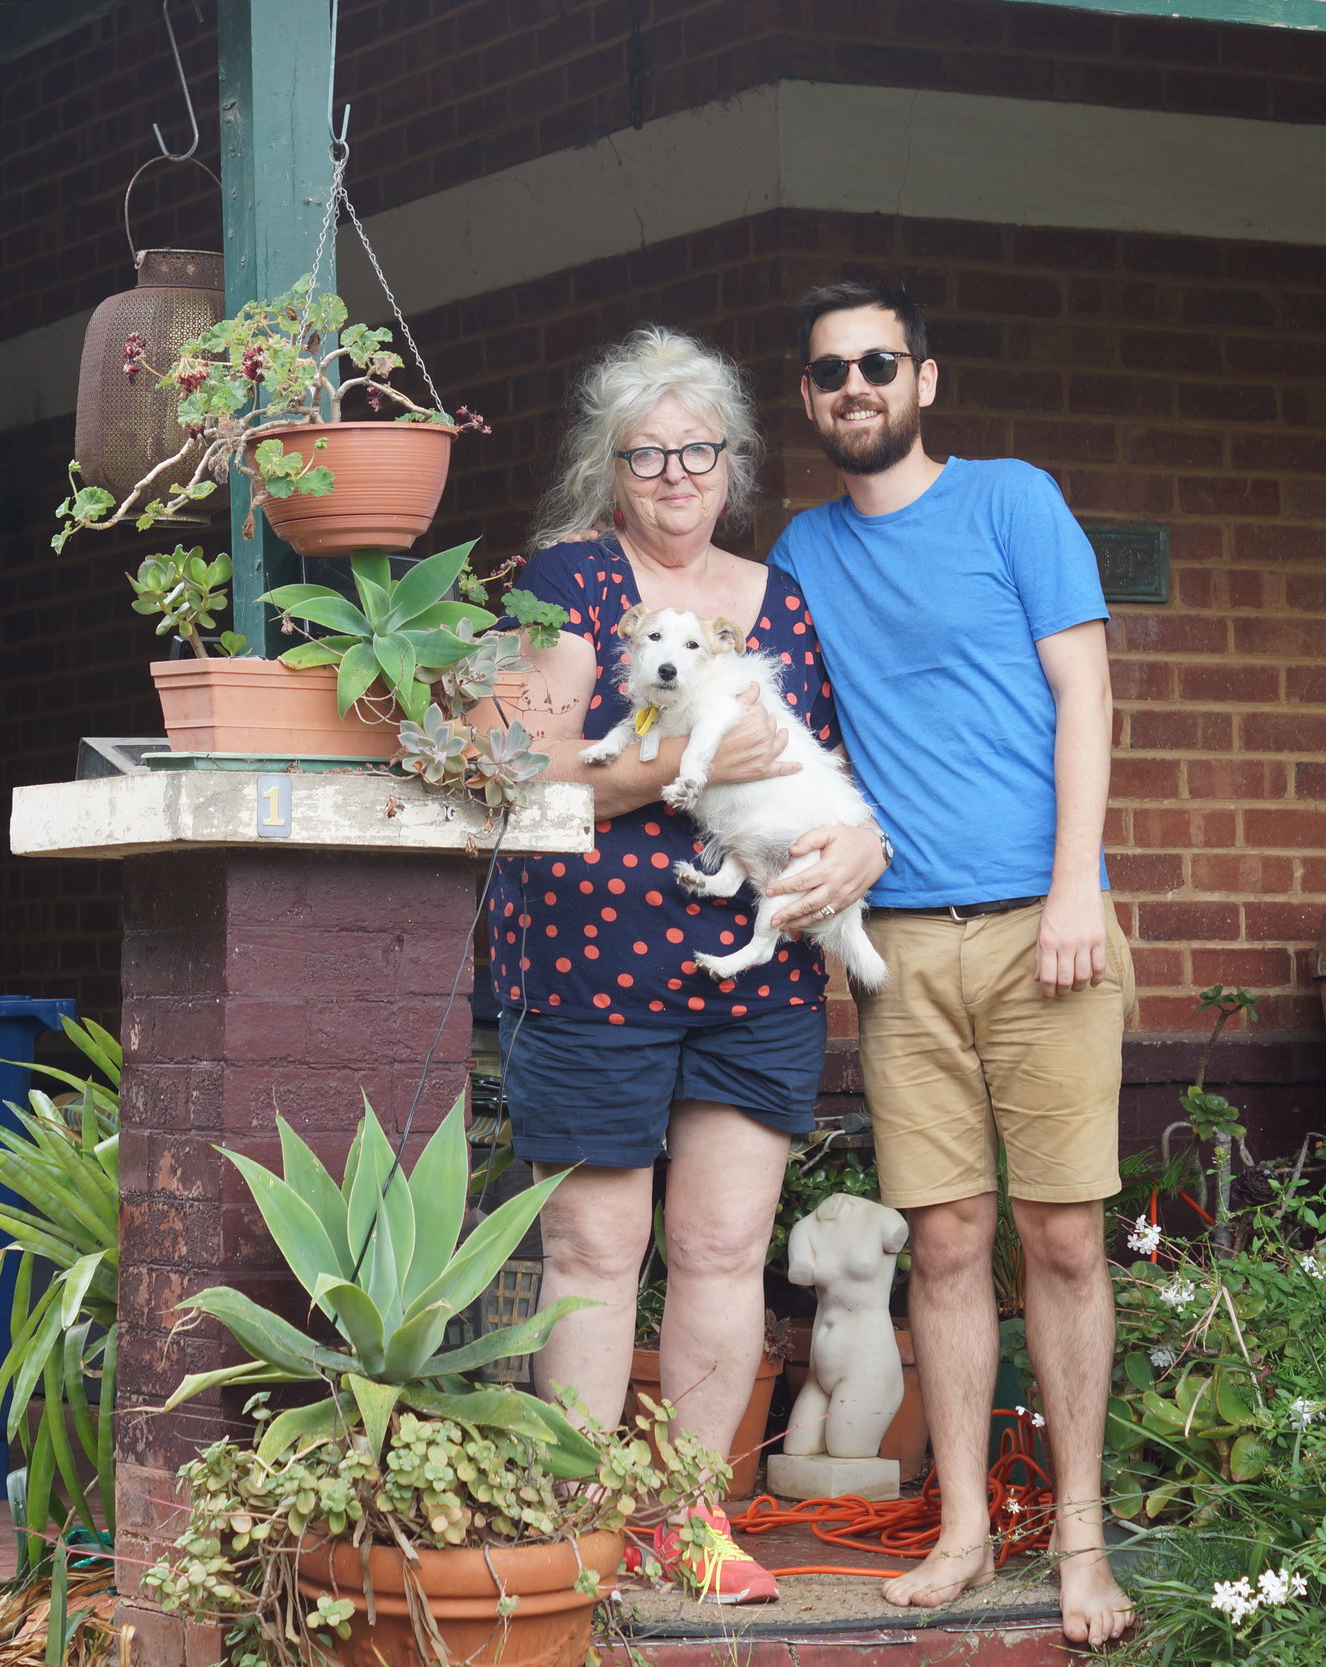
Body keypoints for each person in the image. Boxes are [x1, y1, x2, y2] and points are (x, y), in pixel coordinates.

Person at [760, 279, 1136, 1648]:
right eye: (829, 372)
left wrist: (1072, 886)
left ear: (926, 378)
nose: (855, 386)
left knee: (1065, 1231)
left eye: (878, 361)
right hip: (899, 939)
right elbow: (788, 735)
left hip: (1048, 926)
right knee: (949, 1235)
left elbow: (1086, 691)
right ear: (808, 400)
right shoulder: (802, 549)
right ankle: (969, 1526)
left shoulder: (1013, 501)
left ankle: (1081, 1536)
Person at [492, 325, 891, 1604]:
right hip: (586, 961)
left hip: (751, 963)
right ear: (610, 469)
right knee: (597, 1250)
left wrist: (855, 850)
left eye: (698, 450)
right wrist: (687, 761)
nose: (675, 474)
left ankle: (687, 1515)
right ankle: (578, 1520)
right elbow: (531, 780)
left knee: (724, 1246)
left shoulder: (777, 596)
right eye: (647, 453)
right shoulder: (564, 581)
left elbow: (819, 766)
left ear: (732, 462)